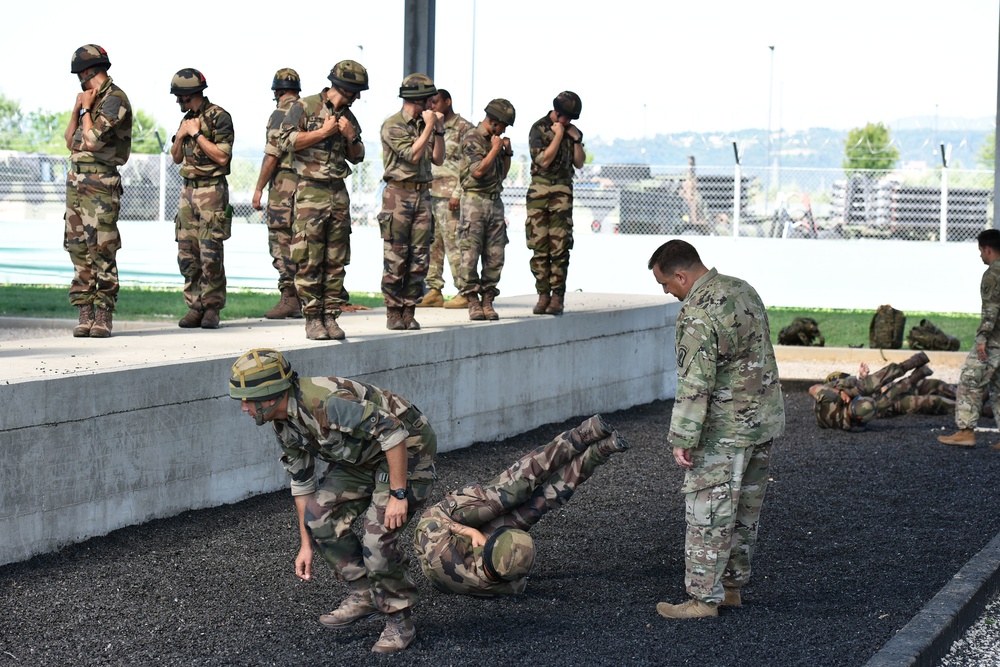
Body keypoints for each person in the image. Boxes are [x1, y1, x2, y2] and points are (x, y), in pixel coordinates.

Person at [228, 348, 437, 653]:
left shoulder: (327, 402)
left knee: (376, 536)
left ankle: (399, 622)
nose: (244, 408)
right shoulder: (284, 422)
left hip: (408, 450)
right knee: (318, 518)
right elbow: (301, 483)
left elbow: (393, 432)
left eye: (247, 400)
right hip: (361, 458)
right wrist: (306, 543)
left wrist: (398, 493)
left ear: (270, 396)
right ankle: (365, 593)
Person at [648, 239, 785, 619]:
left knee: (707, 513)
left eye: (666, 284)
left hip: (724, 431)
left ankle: (702, 600)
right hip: (762, 422)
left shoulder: (697, 312)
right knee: (744, 511)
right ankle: (731, 589)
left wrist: (683, 438)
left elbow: (695, 382)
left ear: (682, 275)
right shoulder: (743, 289)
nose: (667, 292)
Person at [413, 415, 627, 596]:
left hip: (448, 520)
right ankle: (598, 452)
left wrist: (470, 532)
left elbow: (430, 520)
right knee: (538, 506)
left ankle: (581, 435)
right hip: (478, 552)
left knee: (511, 492)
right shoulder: (510, 583)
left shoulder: (441, 552)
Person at [278, 61, 368, 341]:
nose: (359, 97)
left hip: (337, 191)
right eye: (356, 91)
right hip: (310, 191)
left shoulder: (348, 117)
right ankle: (313, 318)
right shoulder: (304, 106)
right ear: (344, 87)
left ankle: (330, 315)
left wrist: (350, 136)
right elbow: (285, 141)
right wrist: (323, 133)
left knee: (335, 258)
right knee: (308, 257)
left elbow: (358, 154)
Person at [63, 44, 132, 338]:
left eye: (80, 74)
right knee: (78, 248)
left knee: (102, 248)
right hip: (77, 182)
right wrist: (78, 108)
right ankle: (85, 311)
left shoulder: (115, 99)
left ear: (88, 72)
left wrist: (88, 109)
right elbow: (70, 140)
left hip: (101, 184)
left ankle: (103, 313)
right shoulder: (88, 101)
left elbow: (92, 141)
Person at [378, 73, 445, 331]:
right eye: (430, 100)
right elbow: (412, 155)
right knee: (396, 255)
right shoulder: (393, 124)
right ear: (419, 99)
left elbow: (438, 159)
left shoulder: (424, 124)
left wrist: (438, 129)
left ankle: (409, 310)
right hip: (398, 195)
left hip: (422, 194)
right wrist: (429, 126)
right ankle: (393, 311)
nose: (433, 106)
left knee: (420, 256)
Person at [169, 68, 234, 330]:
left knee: (210, 253)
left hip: (211, 191)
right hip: (188, 191)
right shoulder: (186, 120)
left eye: (179, 96)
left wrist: (197, 134)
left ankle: (212, 308)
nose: (177, 101)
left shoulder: (220, 117)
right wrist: (183, 135)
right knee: (187, 253)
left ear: (189, 94)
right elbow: (175, 157)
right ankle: (194, 306)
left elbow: (222, 157)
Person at [525, 92, 586, 316]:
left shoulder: (572, 131)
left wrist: (576, 139)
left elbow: (579, 163)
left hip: (562, 190)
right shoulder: (539, 128)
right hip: (539, 190)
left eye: (571, 119)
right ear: (556, 113)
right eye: (565, 118)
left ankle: (557, 296)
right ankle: (543, 295)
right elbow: (543, 160)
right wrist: (558, 136)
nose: (568, 122)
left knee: (560, 248)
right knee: (539, 246)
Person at [939, 229, 1000, 449]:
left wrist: (982, 338)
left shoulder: (993, 274)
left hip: (994, 341)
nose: (980, 255)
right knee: (999, 386)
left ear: (988, 249)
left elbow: (991, 311)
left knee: (969, 379)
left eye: (980, 251)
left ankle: (965, 431)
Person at [456, 99, 515, 321]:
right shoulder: (472, 138)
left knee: (495, 254)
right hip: (474, 202)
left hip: (494, 202)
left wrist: (506, 154)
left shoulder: (495, 141)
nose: (504, 130)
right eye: (503, 126)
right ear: (493, 121)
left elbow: (502, 174)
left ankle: (488, 298)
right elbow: (478, 171)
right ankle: (472, 300)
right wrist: (495, 149)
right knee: (470, 254)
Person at [252, 68, 303, 320]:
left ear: (277, 92)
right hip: (309, 185)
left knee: (281, 240)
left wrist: (259, 188)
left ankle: (290, 298)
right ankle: (309, 298)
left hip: (284, 184)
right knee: (305, 241)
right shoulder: (310, 109)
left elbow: (272, 155)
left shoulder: (280, 113)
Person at [417, 89, 474, 310]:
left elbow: (469, 164)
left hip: (450, 196)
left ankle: (464, 291)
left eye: (436, 102)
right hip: (429, 192)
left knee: (455, 244)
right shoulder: (430, 125)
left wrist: (458, 194)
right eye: (429, 102)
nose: (432, 106)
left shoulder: (463, 128)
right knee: (432, 245)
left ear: (448, 101)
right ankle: (434, 290)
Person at [808, 354, 952, 430]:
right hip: (887, 402)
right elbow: (889, 398)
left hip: (870, 398)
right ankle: (963, 407)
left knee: (933, 385)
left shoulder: (833, 399)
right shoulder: (837, 403)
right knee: (931, 401)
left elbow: (813, 389)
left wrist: (841, 391)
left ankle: (912, 368)